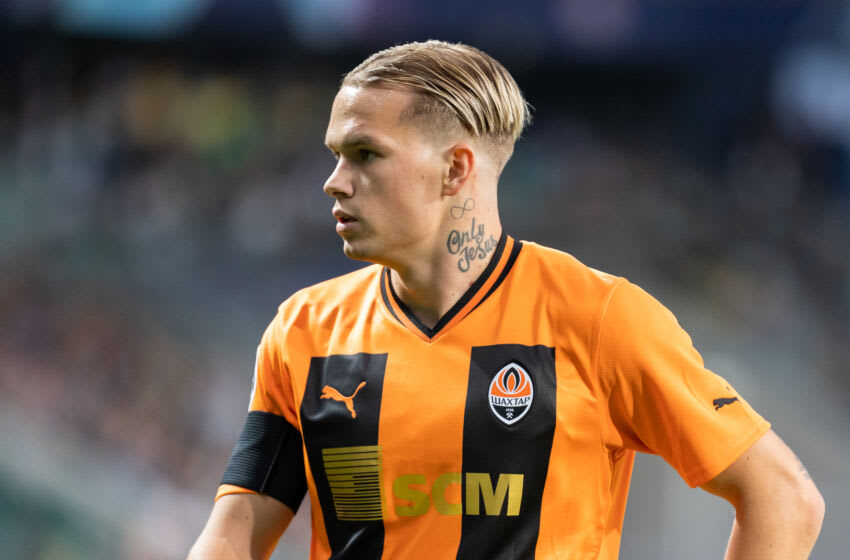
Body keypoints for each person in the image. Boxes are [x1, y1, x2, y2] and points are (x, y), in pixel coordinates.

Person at [188, 40, 824, 560]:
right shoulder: (305, 330)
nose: (334, 182)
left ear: (455, 169)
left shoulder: (599, 319)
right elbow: (234, 532)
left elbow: (783, 498)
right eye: (336, 156)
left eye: (365, 155)